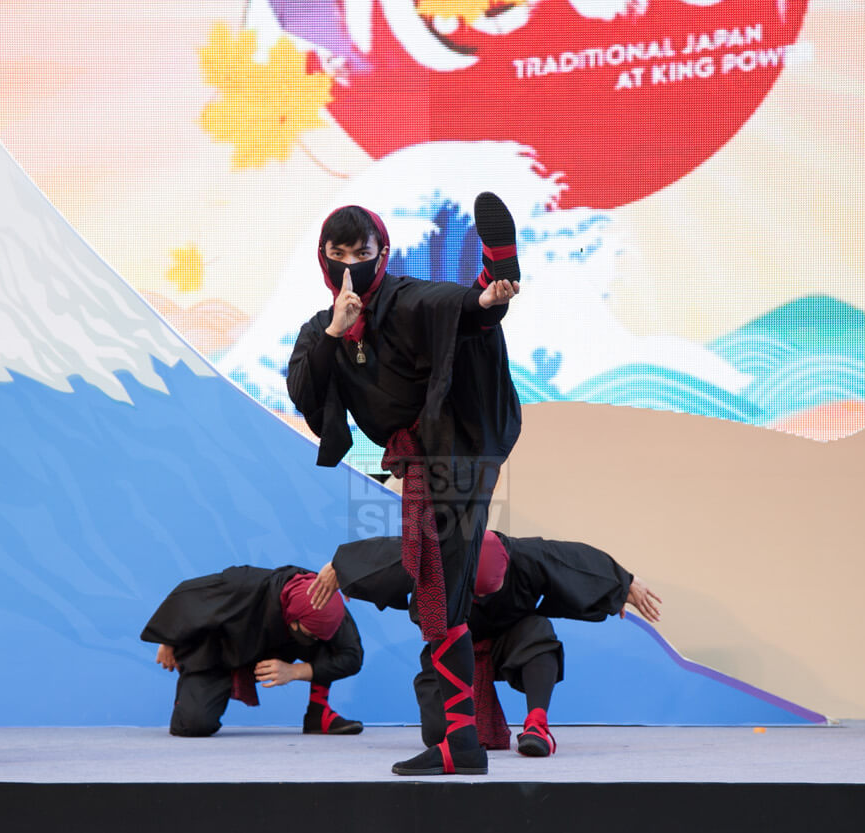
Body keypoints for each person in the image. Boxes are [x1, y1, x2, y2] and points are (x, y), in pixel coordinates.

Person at [286, 195, 522, 776]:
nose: (351, 265)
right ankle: (460, 743)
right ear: (323, 257)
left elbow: (445, 305)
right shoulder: (321, 329)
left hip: (458, 445)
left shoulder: (403, 298)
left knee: (441, 590)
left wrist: (485, 295)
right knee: (441, 593)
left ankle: (461, 745)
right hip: (424, 464)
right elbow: (305, 393)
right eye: (339, 253)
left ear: (382, 252)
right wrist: (336, 332)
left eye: (361, 253)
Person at [312, 531, 663, 757]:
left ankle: (537, 723)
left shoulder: (531, 557)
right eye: (475, 594)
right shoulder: (438, 559)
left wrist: (623, 585)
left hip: (507, 641)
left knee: (538, 630)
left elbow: (577, 563)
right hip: (452, 647)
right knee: (437, 736)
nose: (480, 599)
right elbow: (387, 555)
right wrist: (341, 568)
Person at [140, 565, 363, 737]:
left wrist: (296, 671)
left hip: (273, 654)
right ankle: (190, 697)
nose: (315, 637)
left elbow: (352, 658)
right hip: (219, 653)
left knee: (328, 643)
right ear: (293, 614)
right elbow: (188, 594)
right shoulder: (243, 584)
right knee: (193, 725)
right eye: (310, 633)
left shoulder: (328, 606)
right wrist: (168, 639)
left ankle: (318, 714)